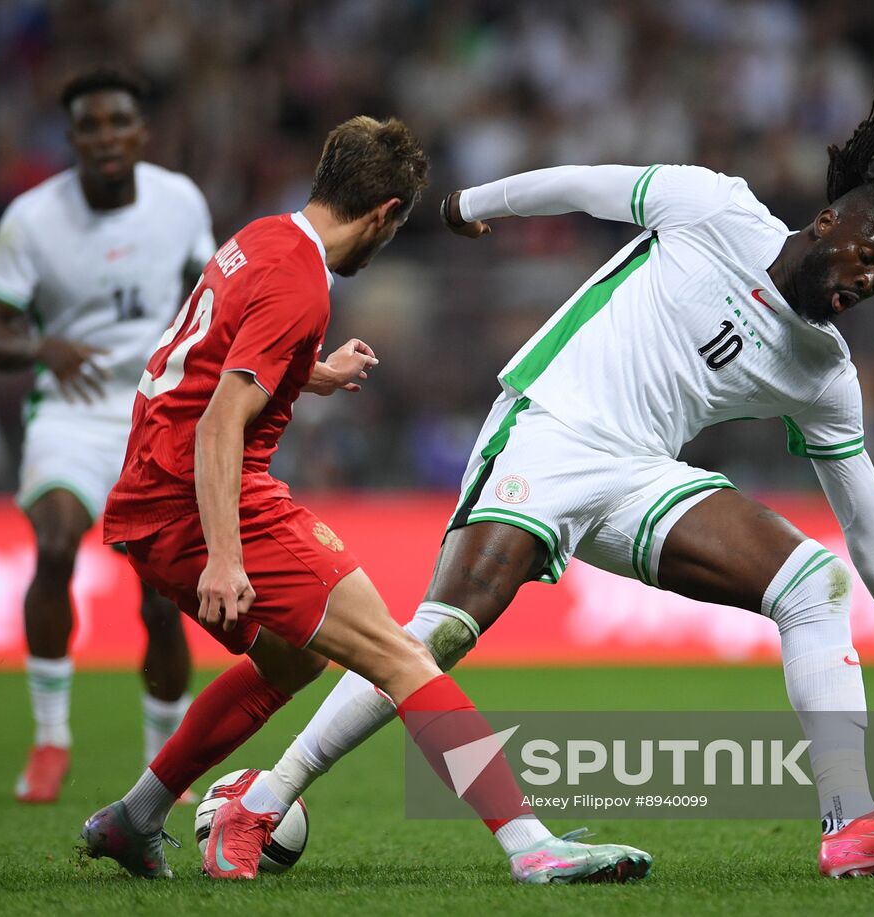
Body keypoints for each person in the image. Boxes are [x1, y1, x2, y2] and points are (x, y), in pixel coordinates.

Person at [241, 74, 874, 879]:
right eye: (865, 254)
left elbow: (869, 521)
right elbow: (585, 186)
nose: (865, 279)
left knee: (813, 581)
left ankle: (851, 824)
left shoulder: (824, 372)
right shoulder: (717, 210)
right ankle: (270, 792)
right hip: (548, 426)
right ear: (827, 221)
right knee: (445, 628)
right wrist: (470, 204)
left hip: (641, 474)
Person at [79, 115, 652, 884]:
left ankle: (134, 817)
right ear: (385, 214)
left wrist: (311, 371)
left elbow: (212, 360)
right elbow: (220, 420)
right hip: (203, 496)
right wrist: (222, 556)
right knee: (400, 655)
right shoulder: (299, 280)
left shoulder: (263, 237)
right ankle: (531, 845)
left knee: (297, 656)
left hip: (156, 489)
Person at [0, 68, 204, 804]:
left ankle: (163, 758)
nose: (106, 137)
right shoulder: (32, 218)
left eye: (118, 123)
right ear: (71, 139)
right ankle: (50, 738)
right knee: (53, 546)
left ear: (142, 132)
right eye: (90, 126)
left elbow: (217, 293)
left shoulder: (179, 201)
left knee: (163, 599)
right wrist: (42, 347)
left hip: (159, 416)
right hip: (69, 412)